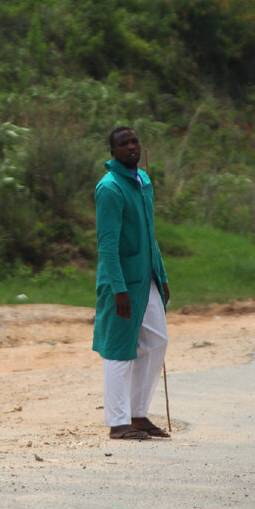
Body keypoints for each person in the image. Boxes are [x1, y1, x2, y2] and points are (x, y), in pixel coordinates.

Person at [92, 126, 172, 440]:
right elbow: (107, 244)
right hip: (122, 282)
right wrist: (118, 288)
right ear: (112, 152)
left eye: (134, 141)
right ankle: (118, 421)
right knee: (119, 349)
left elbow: (151, 236)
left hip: (147, 277)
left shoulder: (143, 182)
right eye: (123, 144)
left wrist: (161, 276)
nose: (131, 147)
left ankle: (138, 414)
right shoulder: (110, 188)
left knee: (156, 341)